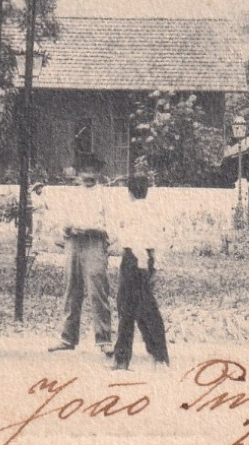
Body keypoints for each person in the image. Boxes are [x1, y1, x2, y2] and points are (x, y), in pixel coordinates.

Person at [50, 156, 114, 354]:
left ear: (98, 173)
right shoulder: (70, 195)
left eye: (92, 171)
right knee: (71, 289)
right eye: (84, 171)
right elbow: (61, 222)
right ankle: (68, 338)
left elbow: (110, 225)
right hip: (73, 244)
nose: (88, 175)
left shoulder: (105, 195)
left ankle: (104, 339)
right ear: (78, 173)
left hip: (94, 243)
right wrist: (67, 229)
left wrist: (92, 229)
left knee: (98, 290)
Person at [111, 174, 170, 370]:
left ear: (129, 192)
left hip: (134, 259)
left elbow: (132, 238)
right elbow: (160, 238)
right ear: (147, 191)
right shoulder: (154, 210)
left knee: (128, 308)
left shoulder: (129, 210)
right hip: (148, 258)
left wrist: (141, 262)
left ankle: (122, 359)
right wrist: (154, 265)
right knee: (147, 307)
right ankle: (159, 356)